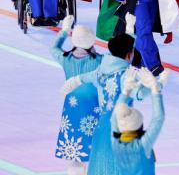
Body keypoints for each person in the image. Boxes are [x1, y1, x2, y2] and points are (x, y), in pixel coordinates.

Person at [60, 33, 136, 175]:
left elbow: (82, 78)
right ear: (129, 54)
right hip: (122, 127)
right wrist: (157, 87)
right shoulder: (125, 75)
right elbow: (140, 93)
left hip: (102, 125)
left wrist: (73, 82)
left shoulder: (101, 70)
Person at [51, 16, 102, 175]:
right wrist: (129, 31)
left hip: (71, 109)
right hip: (93, 108)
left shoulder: (66, 59)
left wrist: (65, 30)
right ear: (92, 41)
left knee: (74, 154)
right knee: (95, 150)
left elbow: (54, 48)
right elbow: (120, 60)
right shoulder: (100, 60)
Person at [111, 68, 164, 175]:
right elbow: (158, 118)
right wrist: (154, 88)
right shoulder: (143, 144)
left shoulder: (116, 143)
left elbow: (115, 117)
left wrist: (126, 90)